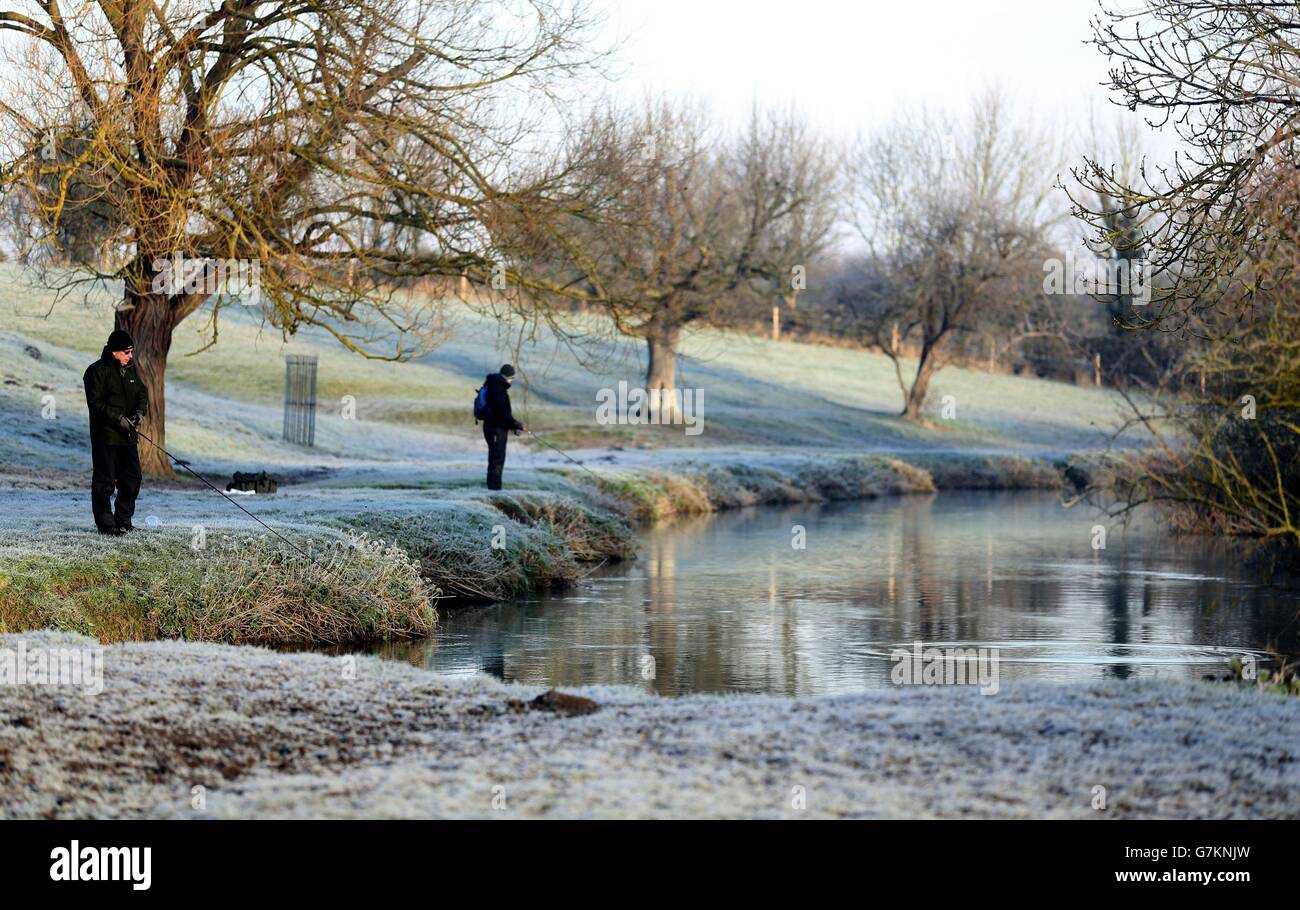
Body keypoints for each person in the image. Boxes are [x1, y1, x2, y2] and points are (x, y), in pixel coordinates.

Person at [83, 329, 148, 535]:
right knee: (105, 481)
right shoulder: (95, 371)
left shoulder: (130, 370)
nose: (130, 356)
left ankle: (124, 521)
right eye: (127, 352)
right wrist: (118, 419)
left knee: (132, 478)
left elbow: (142, 393)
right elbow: (96, 404)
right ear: (114, 351)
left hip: (127, 436)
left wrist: (139, 413)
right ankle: (106, 525)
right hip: (106, 436)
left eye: (131, 352)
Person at [481, 363, 527, 491]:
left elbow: (501, 415)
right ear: (507, 377)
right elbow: (503, 415)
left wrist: (512, 427)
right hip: (495, 429)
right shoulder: (498, 390)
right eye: (512, 378)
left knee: (495, 458)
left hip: (494, 427)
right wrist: (517, 425)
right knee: (497, 459)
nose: (512, 381)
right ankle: (494, 490)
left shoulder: (494, 386)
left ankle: (493, 488)